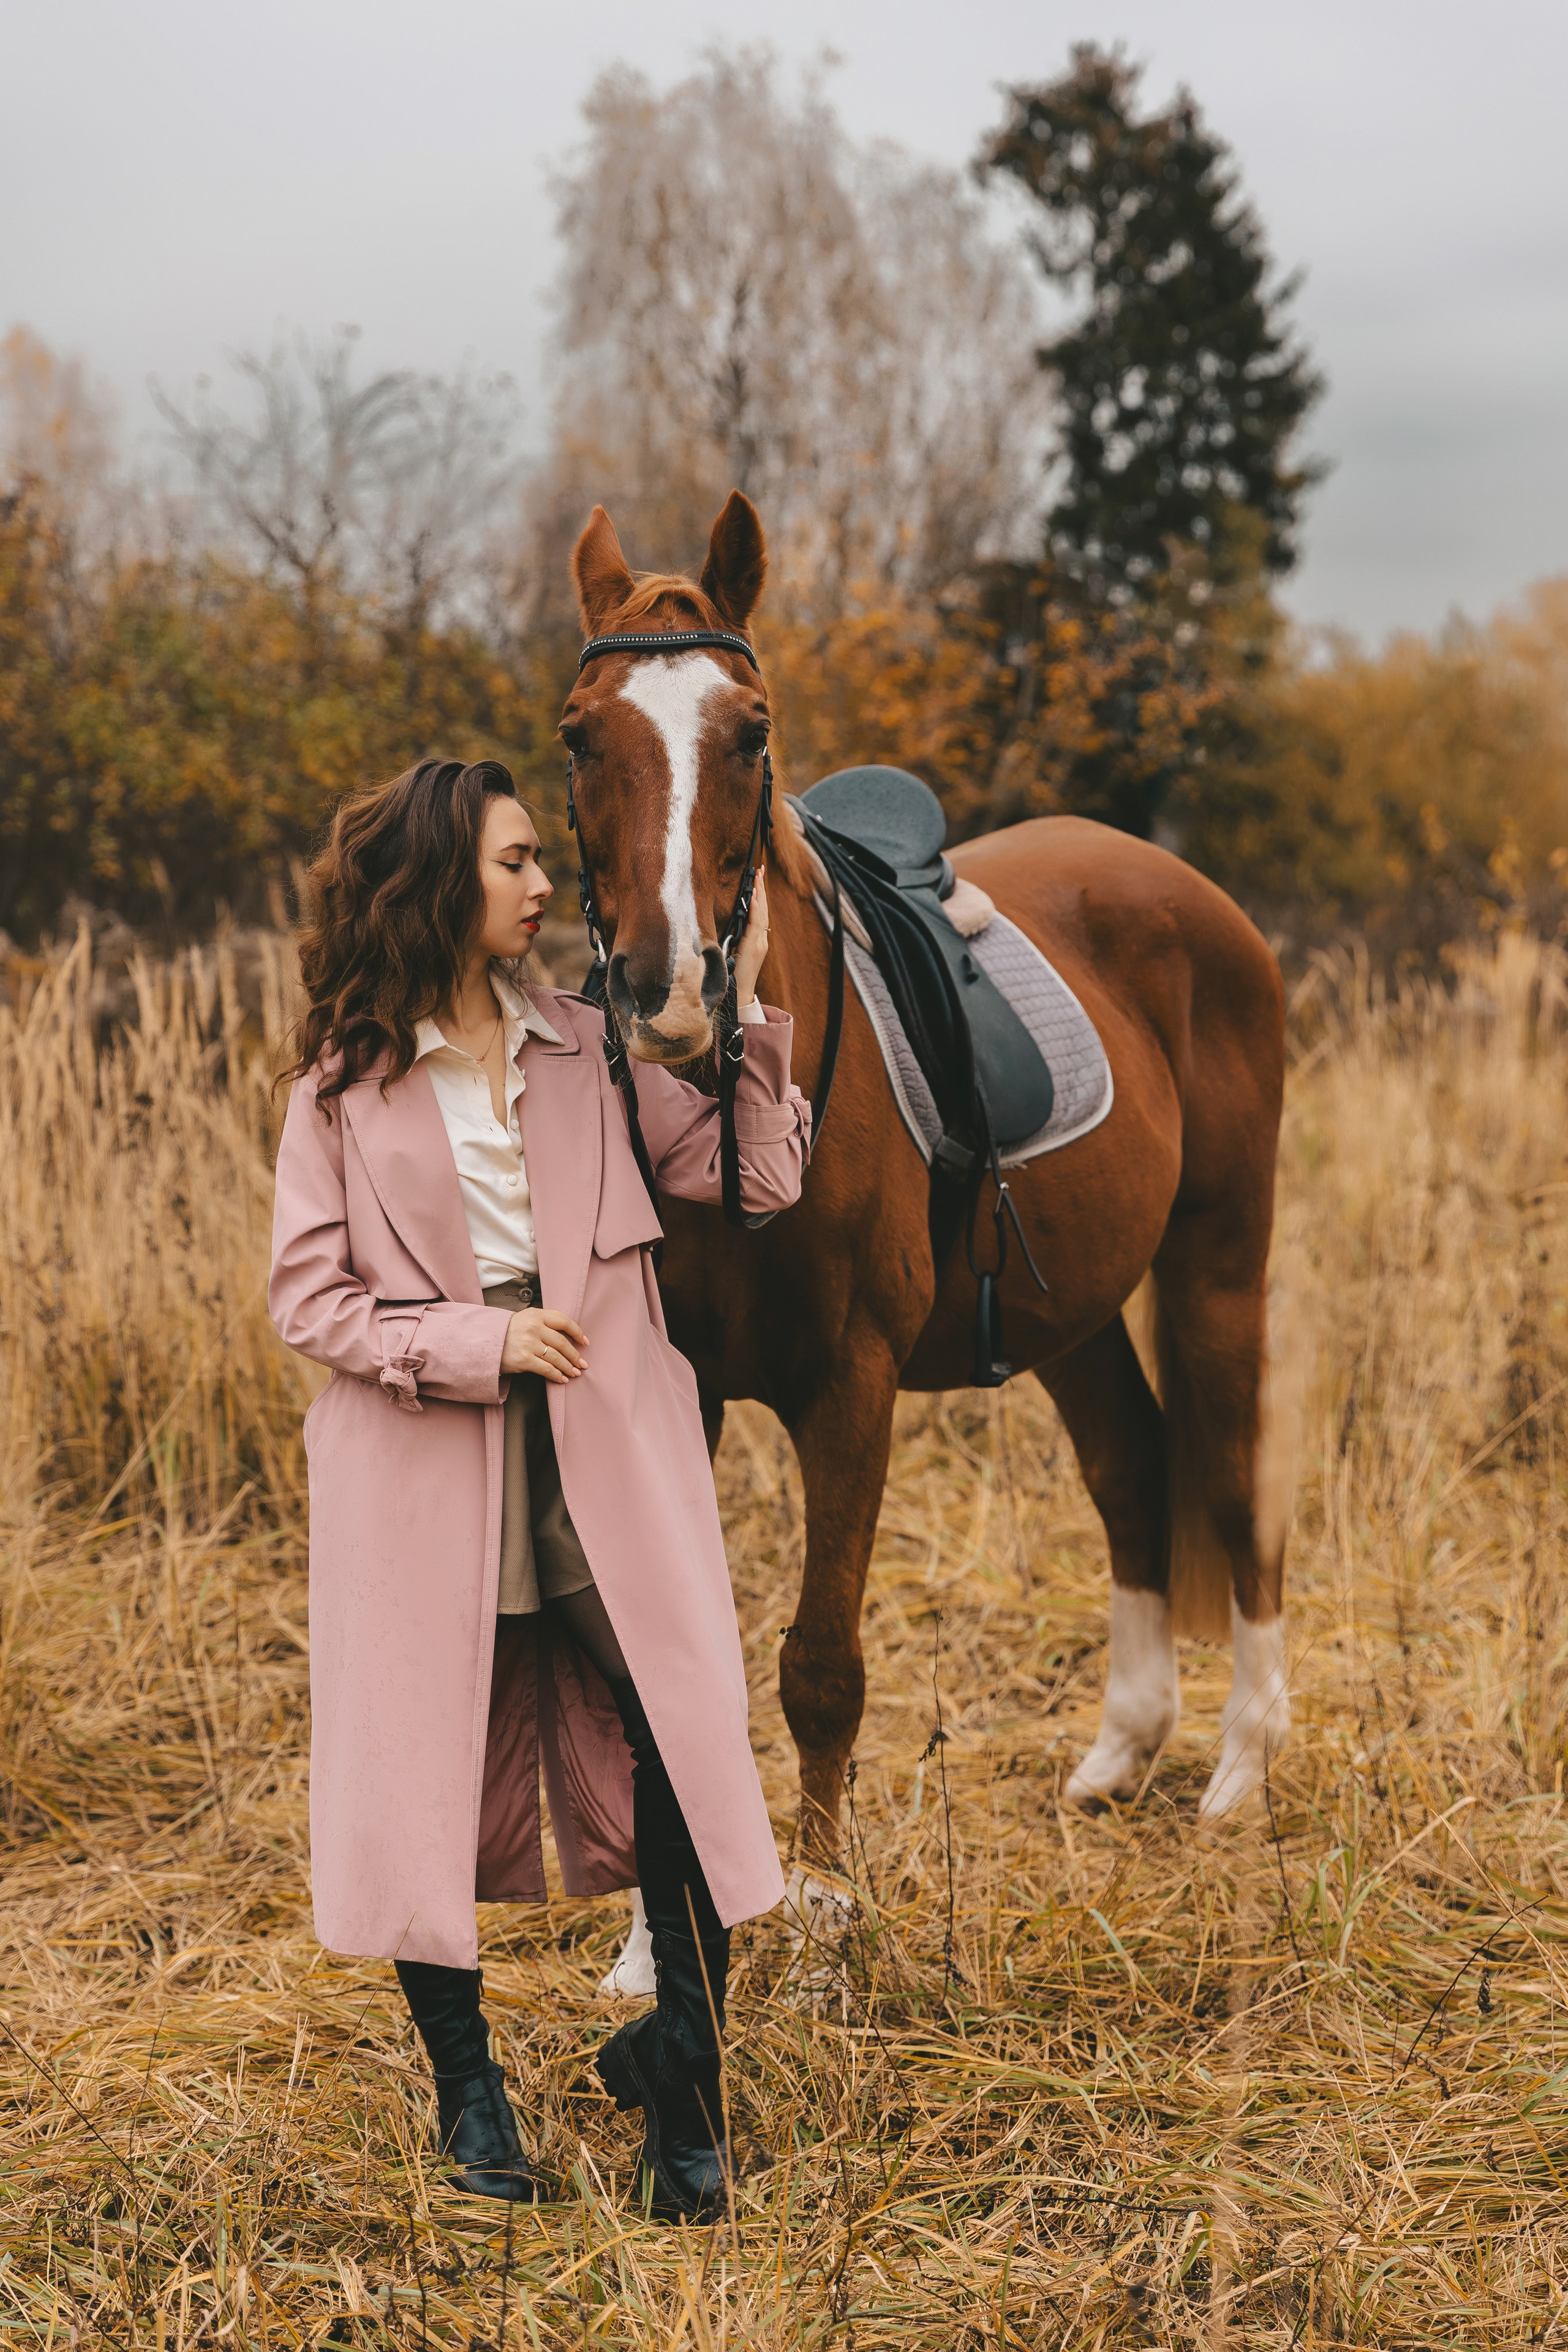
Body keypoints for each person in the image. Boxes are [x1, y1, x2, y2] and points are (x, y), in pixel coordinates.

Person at [268, 756, 808, 2218]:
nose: (543, 884)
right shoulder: (337, 1091)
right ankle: (469, 2095)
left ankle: (683, 2081)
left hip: (606, 1447)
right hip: (420, 1457)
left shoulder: (589, 1045)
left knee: (675, 1730)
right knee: (418, 1762)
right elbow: (307, 1304)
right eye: (514, 863)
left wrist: (751, 1017)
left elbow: (755, 1183)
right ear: (444, 882)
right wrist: (478, 1338)